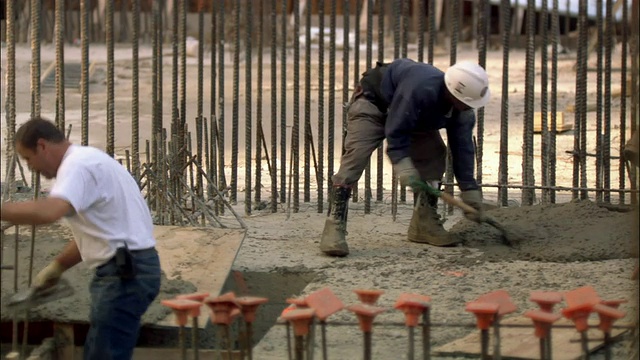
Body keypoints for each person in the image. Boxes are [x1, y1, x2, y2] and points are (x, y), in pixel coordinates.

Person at [0, 117, 161, 360]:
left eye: (28, 159)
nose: (30, 167)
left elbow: (49, 212)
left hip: (125, 274)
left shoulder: (77, 166)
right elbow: (101, 231)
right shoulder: (91, 160)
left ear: (42, 146)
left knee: (105, 355)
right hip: (131, 268)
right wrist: (57, 267)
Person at [320, 58, 491, 257]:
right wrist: (404, 166)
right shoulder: (419, 90)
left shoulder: (463, 111)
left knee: (434, 155)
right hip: (374, 104)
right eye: (465, 103)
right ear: (452, 93)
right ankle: (334, 226)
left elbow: (463, 148)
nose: (468, 107)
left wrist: (469, 189)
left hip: (414, 116)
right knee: (355, 159)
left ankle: (424, 225)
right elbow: (396, 130)